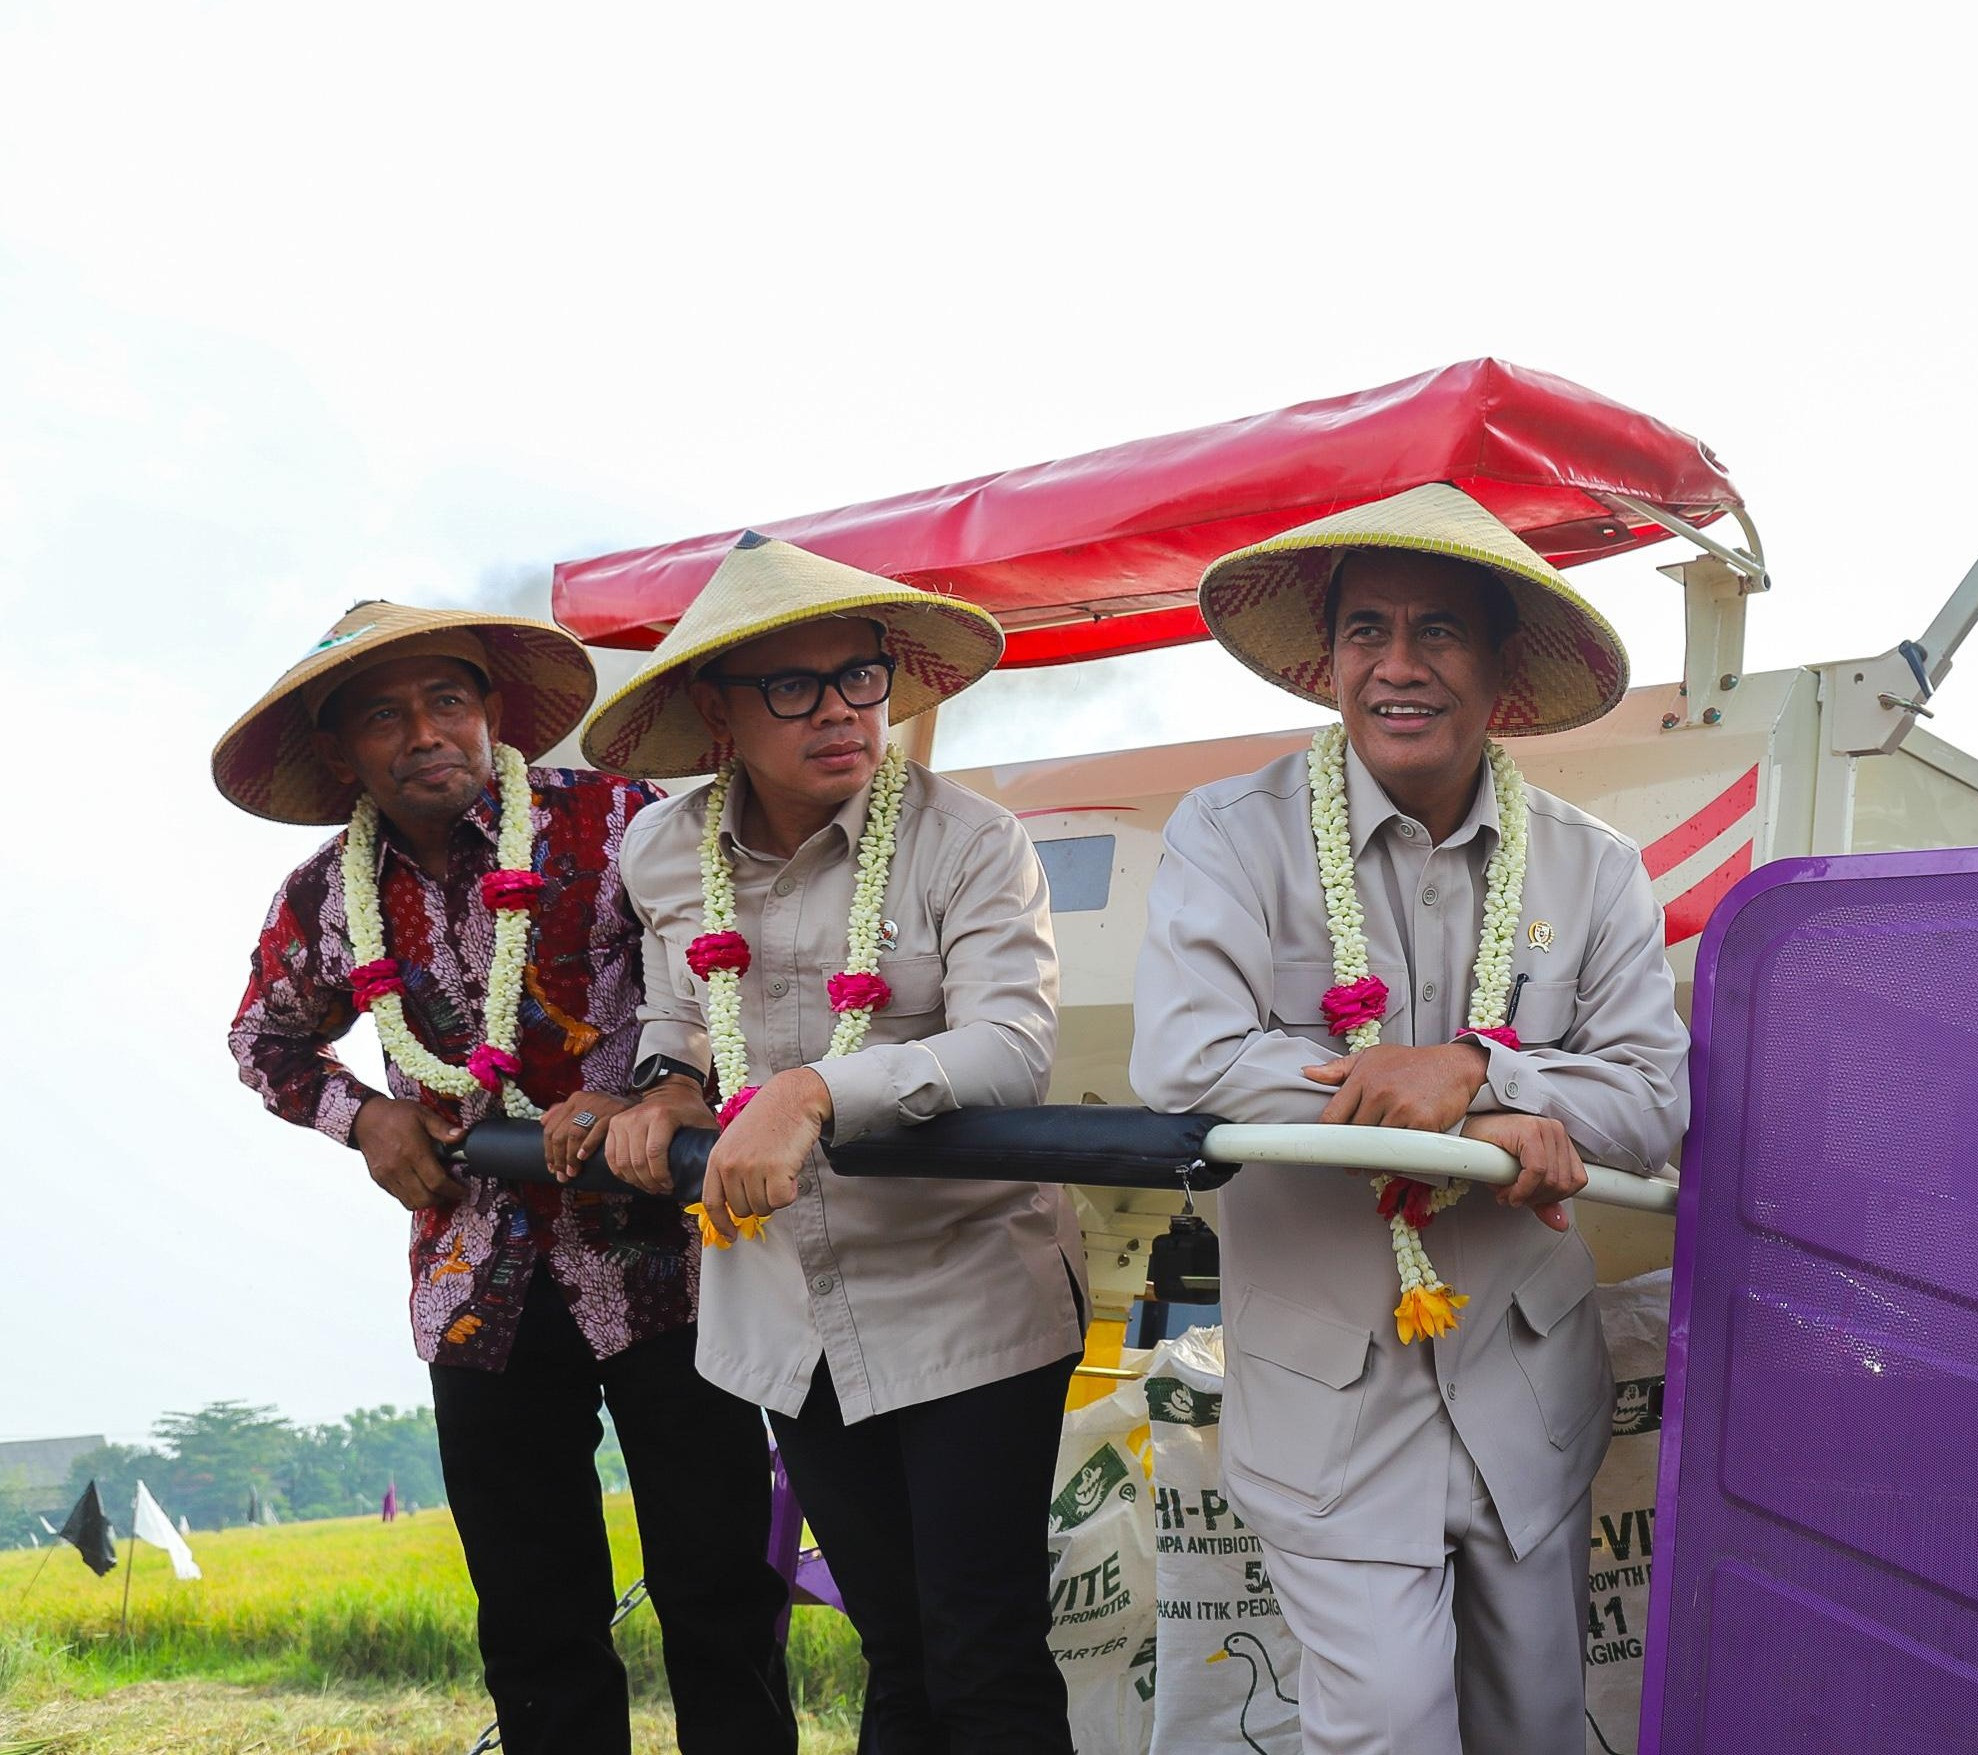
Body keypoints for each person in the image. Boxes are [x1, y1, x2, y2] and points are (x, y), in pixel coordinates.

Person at [1132, 484, 1691, 1755]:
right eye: (1368, 630)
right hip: (1330, 1391)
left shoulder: (1593, 865)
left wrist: (1484, 1078)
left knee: (1536, 1728)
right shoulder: (1231, 833)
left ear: (1499, 673)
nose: (1399, 665)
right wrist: (1459, 1110)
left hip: (1526, 1389)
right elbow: (1187, 1062)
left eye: (1440, 631)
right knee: (1384, 1728)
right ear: (1325, 663)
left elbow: (1655, 1102)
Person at [220, 602, 792, 1754]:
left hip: (672, 1271)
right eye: (384, 716)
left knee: (722, 1603)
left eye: (448, 701)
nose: (425, 733)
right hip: (476, 1287)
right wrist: (368, 1113)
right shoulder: (329, 895)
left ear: (492, 713)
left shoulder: (625, 823)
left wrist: (649, 1090)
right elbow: (263, 1042)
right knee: (535, 1629)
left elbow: (744, 974)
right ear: (342, 755)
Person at [590, 532, 1081, 1755]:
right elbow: (678, 1015)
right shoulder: (664, 849)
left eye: (860, 676)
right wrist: (663, 1086)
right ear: (717, 710)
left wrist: (809, 1090)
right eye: (793, 688)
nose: (841, 713)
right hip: (789, 1309)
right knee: (896, 1645)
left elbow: (1012, 1047)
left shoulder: (967, 841)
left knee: (983, 1651)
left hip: (968, 1290)